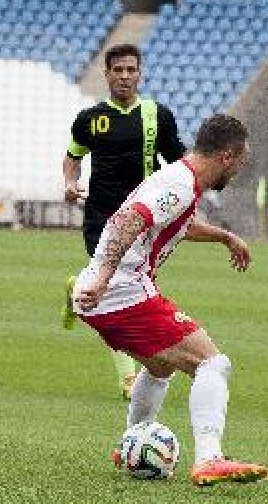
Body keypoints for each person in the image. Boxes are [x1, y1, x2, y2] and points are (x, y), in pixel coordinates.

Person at [73, 114, 268, 487]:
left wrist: (224, 237)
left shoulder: (180, 181)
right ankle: (209, 458)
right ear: (227, 156)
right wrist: (103, 278)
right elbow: (130, 220)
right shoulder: (180, 184)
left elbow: (176, 222)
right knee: (213, 363)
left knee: (160, 368)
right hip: (121, 292)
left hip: (114, 292)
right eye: (240, 163)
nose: (238, 172)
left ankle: (130, 444)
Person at [62, 43, 186, 398]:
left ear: (140, 74)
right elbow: (72, 157)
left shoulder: (157, 116)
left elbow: (179, 163)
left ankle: (76, 289)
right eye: (118, 70)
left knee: (125, 286)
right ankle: (128, 377)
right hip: (101, 216)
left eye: (131, 70)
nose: (125, 76)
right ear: (107, 74)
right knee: (114, 288)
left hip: (143, 219)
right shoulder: (89, 119)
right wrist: (70, 183)